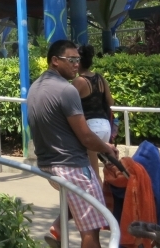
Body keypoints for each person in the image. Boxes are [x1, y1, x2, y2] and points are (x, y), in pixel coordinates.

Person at [27, 39, 118, 248]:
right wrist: (107, 148)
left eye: (78, 59)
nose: (76, 64)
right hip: (72, 166)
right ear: (55, 61)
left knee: (79, 206)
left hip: (48, 164)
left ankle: (57, 229)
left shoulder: (34, 88)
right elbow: (86, 137)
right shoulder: (66, 90)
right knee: (91, 230)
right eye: (71, 60)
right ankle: (58, 229)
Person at [73, 44, 115, 181]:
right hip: (105, 127)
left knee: (94, 172)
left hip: (91, 128)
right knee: (104, 168)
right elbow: (111, 102)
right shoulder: (101, 78)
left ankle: (99, 201)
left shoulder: (78, 81)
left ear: (78, 62)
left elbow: (68, 104)